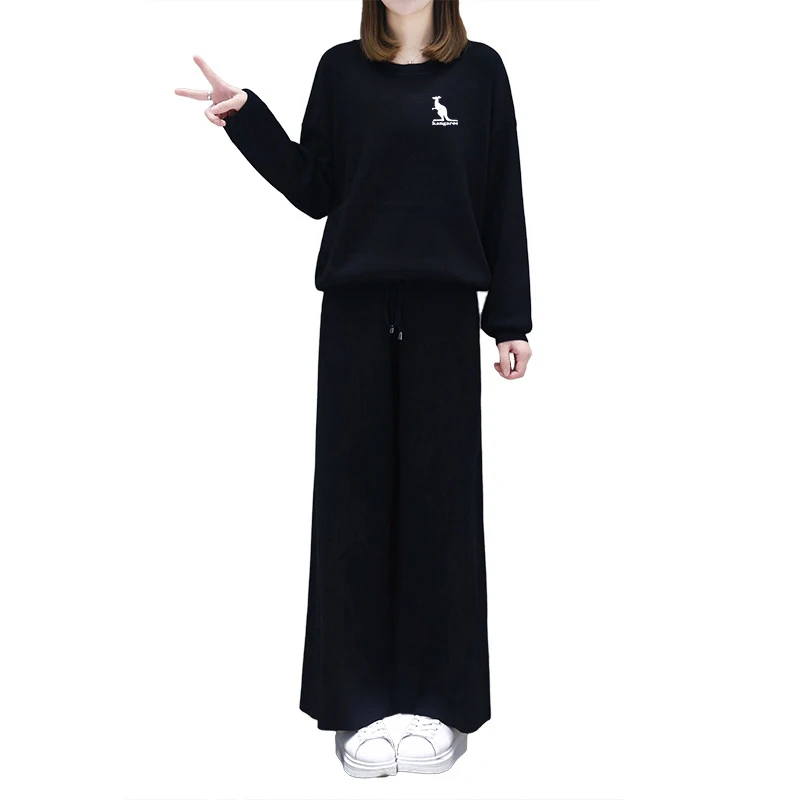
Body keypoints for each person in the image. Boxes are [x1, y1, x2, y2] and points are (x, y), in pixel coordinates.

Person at [174, 0, 532, 779]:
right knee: (351, 505)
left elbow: (501, 190)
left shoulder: (481, 72)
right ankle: (355, 704)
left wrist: (510, 320)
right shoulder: (341, 69)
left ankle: (444, 702)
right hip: (355, 314)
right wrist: (248, 119)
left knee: (443, 507)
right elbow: (316, 188)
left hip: (443, 312)